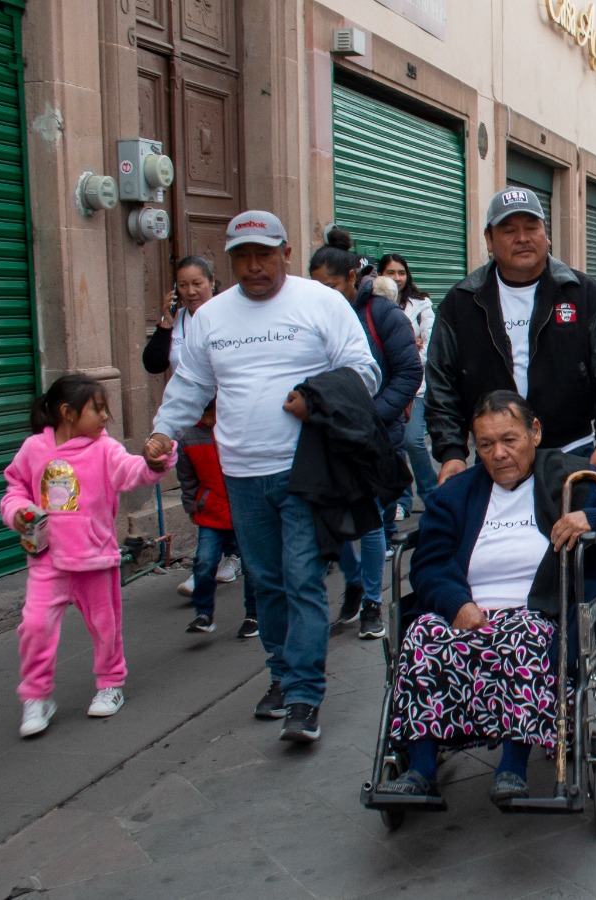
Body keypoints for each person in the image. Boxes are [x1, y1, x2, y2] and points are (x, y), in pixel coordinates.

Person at [147, 210, 381, 744]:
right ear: (231, 261)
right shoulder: (211, 316)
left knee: (300, 577)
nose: (254, 267)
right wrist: (164, 431)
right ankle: (279, 675)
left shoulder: (319, 302)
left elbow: (364, 370)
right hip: (242, 474)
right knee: (265, 580)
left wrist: (317, 398)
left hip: (303, 470)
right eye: (243, 258)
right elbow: (191, 385)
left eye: (264, 255)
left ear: (287, 254)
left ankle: (304, 695)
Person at [376, 392, 596, 808]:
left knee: (522, 634)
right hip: (467, 611)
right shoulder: (457, 494)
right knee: (420, 636)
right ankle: (420, 769)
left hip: (539, 613)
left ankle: (512, 765)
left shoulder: (575, 479)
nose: (499, 454)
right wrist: (456, 603)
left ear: (535, 432)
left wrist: (593, 518)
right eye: (485, 445)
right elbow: (429, 563)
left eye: (509, 440)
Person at [424, 187, 596, 487]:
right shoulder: (461, 302)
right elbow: (440, 383)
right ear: (489, 239)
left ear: (546, 233)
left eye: (531, 227)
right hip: (496, 460)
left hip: (572, 452)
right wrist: (452, 451)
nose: (522, 238)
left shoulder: (584, 294)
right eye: (508, 230)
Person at [2, 375, 174, 737]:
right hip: (47, 560)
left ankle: (110, 683)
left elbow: (132, 470)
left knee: (105, 626)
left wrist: (155, 463)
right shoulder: (34, 449)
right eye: (97, 409)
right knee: (34, 627)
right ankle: (37, 696)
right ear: (67, 413)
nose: (105, 417)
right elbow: (15, 487)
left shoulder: (104, 449)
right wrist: (17, 511)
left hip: (95, 558)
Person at [309, 241, 421, 640]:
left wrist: (371, 417)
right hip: (324, 439)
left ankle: (373, 601)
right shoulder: (310, 316)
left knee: (371, 522)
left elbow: (409, 372)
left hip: (371, 437)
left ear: (353, 279)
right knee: (334, 523)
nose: (325, 296)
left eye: (333, 286)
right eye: (317, 286)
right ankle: (355, 583)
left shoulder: (383, 314)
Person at [143, 257, 241, 597]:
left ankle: (229, 555)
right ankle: (211, 555)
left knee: (225, 485)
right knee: (197, 488)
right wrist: (166, 321)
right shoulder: (179, 320)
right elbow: (153, 363)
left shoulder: (229, 317)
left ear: (212, 282)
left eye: (197, 283)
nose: (190, 291)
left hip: (224, 417)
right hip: (189, 417)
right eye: (183, 286)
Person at [178, 399, 260, 639]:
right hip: (211, 512)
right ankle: (204, 613)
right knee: (204, 562)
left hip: (244, 510)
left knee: (252, 567)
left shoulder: (236, 428)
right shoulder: (189, 438)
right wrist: (193, 507)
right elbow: (187, 479)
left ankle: (253, 614)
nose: (211, 418)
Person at [380, 255, 438, 517]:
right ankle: (402, 502)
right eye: (390, 273)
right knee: (395, 446)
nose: (396, 278)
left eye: (401, 272)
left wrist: (406, 355)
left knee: (412, 440)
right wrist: (407, 344)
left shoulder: (421, 303)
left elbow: (430, 340)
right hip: (386, 388)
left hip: (416, 386)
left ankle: (432, 495)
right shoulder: (375, 306)